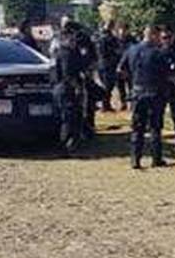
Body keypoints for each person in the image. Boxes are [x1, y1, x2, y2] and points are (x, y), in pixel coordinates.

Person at [118, 25, 170, 169]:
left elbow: (120, 69)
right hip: (155, 93)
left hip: (137, 92)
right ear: (153, 35)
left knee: (137, 127)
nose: (160, 39)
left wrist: (133, 78)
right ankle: (156, 158)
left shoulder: (131, 50)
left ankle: (135, 159)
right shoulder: (158, 53)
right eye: (158, 36)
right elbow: (166, 74)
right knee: (155, 127)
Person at [50, 17, 97, 155]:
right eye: (74, 37)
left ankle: (74, 143)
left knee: (74, 116)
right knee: (69, 118)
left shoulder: (63, 51)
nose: (76, 40)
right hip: (66, 87)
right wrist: (77, 87)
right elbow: (68, 74)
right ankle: (66, 147)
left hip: (63, 87)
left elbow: (84, 63)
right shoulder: (66, 53)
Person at [96, 21, 129, 111]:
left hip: (102, 65)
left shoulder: (100, 37)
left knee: (108, 86)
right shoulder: (109, 38)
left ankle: (106, 104)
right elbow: (114, 52)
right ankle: (105, 105)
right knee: (108, 86)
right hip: (108, 65)